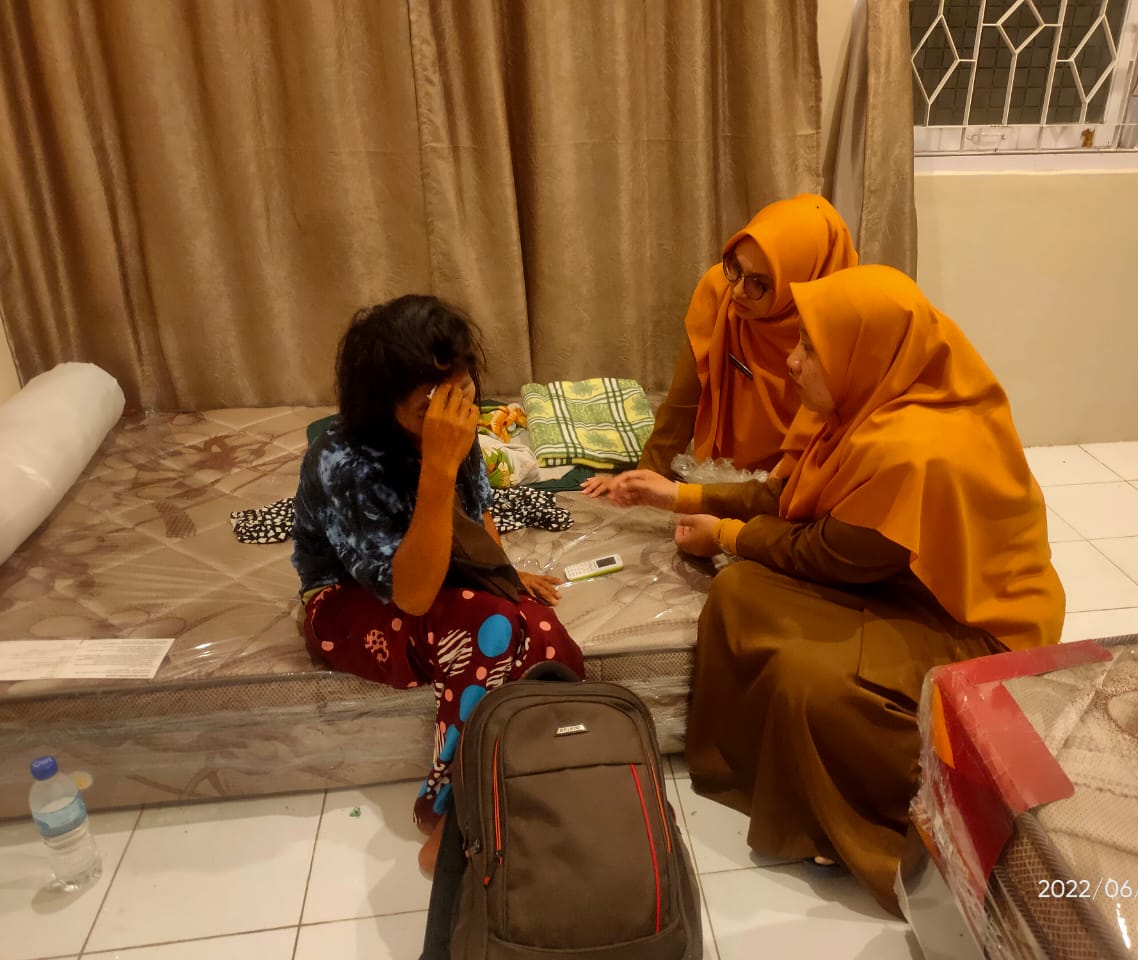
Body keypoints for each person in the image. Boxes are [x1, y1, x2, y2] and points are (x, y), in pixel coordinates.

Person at [606, 266, 1065, 914]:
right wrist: (679, 495)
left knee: (812, 682)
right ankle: (791, 786)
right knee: (741, 594)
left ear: (864, 349)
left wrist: (726, 535)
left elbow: (826, 553)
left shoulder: (914, 449)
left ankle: (906, 816)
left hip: (968, 622)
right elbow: (786, 497)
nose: (791, 361)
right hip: (901, 577)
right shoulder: (862, 404)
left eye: (810, 348)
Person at [291, 294, 584, 871]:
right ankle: (450, 812)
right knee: (491, 626)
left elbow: (477, 518)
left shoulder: (457, 425)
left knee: (546, 634)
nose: (454, 412)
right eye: (430, 404)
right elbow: (413, 597)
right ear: (383, 407)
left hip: (442, 576)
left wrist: (502, 573)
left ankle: (533, 776)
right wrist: (439, 465)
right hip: (346, 602)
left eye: (463, 391)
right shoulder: (344, 462)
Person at [581, 193, 856, 496]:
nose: (737, 291)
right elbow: (681, 404)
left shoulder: (841, 327)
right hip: (726, 474)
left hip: (802, 485)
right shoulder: (719, 291)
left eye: (759, 284)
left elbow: (821, 451)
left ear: (802, 280)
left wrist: (696, 502)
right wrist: (641, 478)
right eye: (735, 267)